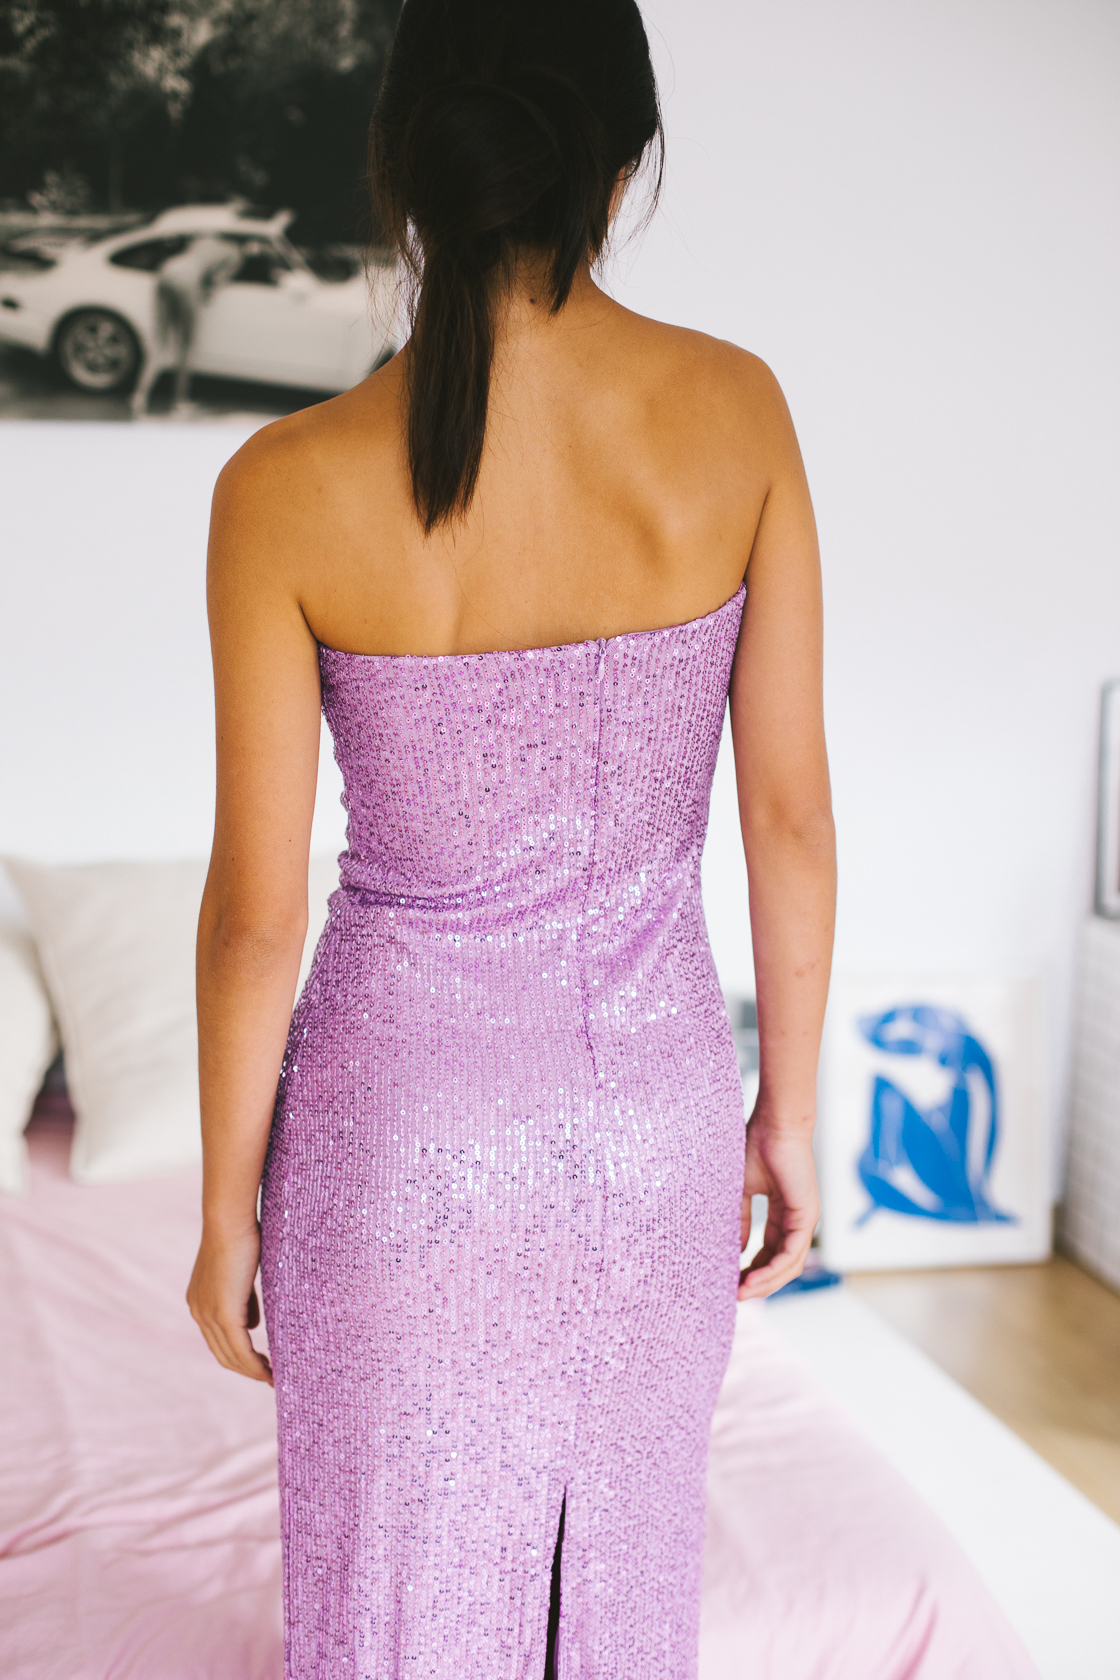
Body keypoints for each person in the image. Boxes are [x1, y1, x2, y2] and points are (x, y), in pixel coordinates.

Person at [186, 0, 836, 1674]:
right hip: (649, 1131)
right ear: (623, 165)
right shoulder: (737, 410)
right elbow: (786, 818)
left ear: (403, 163)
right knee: (613, 1598)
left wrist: (225, 1206)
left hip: (388, 1145)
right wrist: (787, 1116)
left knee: (388, 1612)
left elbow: (255, 915)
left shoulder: (283, 481)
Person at [131, 233, 242, 417]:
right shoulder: (235, 254)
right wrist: (207, 295)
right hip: (188, 279)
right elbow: (215, 282)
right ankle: (179, 402)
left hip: (168, 269)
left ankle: (139, 397)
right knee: (185, 345)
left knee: (160, 342)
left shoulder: (205, 238)